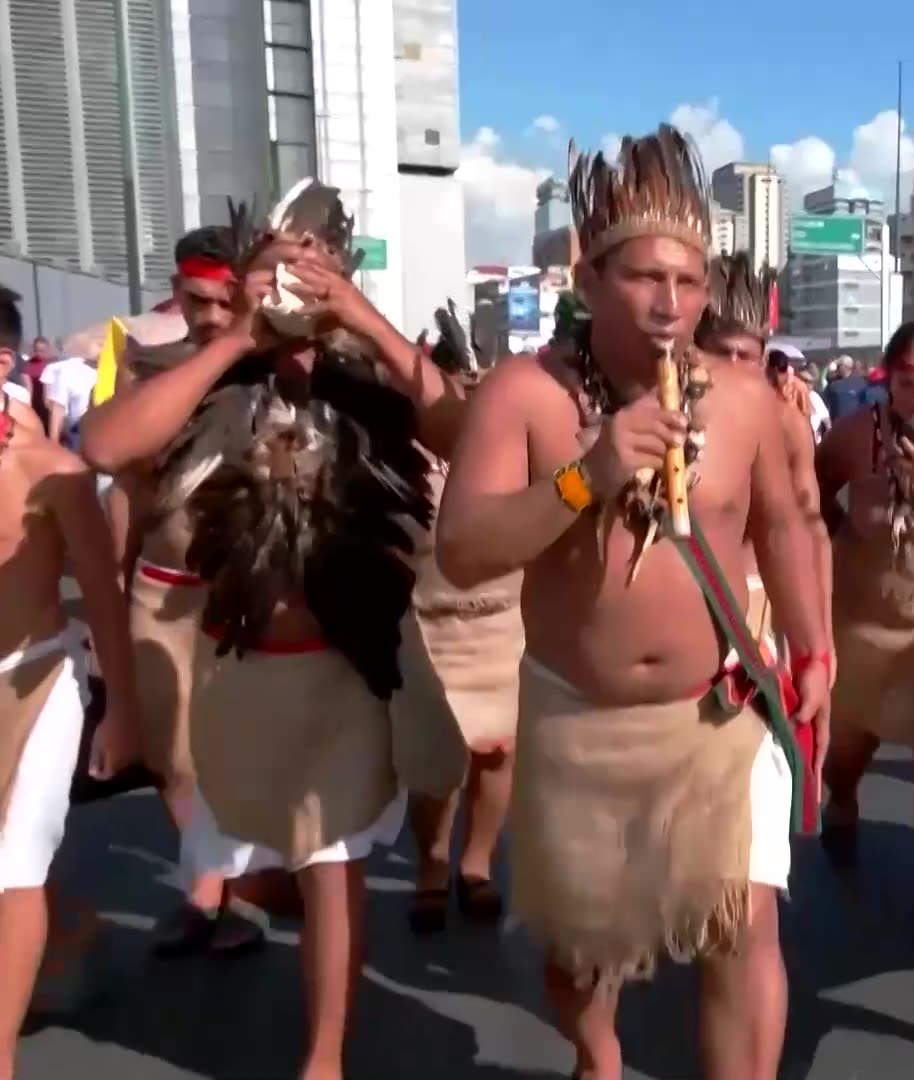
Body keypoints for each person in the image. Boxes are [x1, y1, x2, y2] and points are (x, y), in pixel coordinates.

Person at [434, 125, 828, 1080]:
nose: (671, 303)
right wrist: (588, 475)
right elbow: (463, 550)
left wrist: (814, 647)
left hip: (716, 716)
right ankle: (599, 1056)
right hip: (579, 720)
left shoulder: (744, 401)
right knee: (578, 955)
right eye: (646, 279)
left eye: (689, 283)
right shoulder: (524, 397)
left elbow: (783, 526)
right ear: (589, 277)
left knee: (746, 927)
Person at [79, 182, 464, 1080]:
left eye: (308, 273)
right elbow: (103, 446)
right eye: (271, 275)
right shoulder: (206, 376)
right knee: (257, 840)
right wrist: (239, 343)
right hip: (239, 671)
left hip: (349, 673)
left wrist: (363, 319)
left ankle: (321, 1057)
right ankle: (233, 904)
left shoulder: (368, 377)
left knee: (333, 863)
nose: (291, 290)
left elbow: (467, 426)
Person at [82, 226, 272, 956]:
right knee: (168, 756)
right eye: (198, 300)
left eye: (228, 301)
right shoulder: (150, 369)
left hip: (248, 598)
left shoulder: (279, 372)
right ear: (177, 290)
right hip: (160, 594)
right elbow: (124, 484)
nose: (215, 317)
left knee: (245, 753)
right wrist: (114, 582)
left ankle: (232, 889)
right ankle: (209, 880)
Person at [0, 287, 138, 1080]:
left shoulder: (54, 471)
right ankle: (73, 929)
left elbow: (104, 597)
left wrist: (120, 709)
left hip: (39, 679)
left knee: (16, 863)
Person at [815, 320, 914, 953]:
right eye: (907, 385)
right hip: (864, 628)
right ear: (888, 379)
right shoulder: (852, 438)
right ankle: (842, 799)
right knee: (847, 754)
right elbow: (810, 507)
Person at [393, 309, 521, 935]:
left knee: (497, 753)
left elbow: (564, 501)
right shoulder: (395, 452)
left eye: (474, 388)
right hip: (423, 623)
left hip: (502, 622)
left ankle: (477, 862)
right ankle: (433, 862)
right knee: (432, 761)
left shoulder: (511, 446)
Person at [697, 253, 833, 665]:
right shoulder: (668, 416)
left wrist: (820, 645)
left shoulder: (787, 426)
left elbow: (811, 532)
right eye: (723, 353)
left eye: (747, 356)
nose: (736, 367)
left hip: (764, 604)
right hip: (692, 609)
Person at [37, 350, 97, 449]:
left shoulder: (56, 368)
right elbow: (57, 406)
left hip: (72, 426)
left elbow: (53, 405)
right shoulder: (75, 371)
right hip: (85, 433)